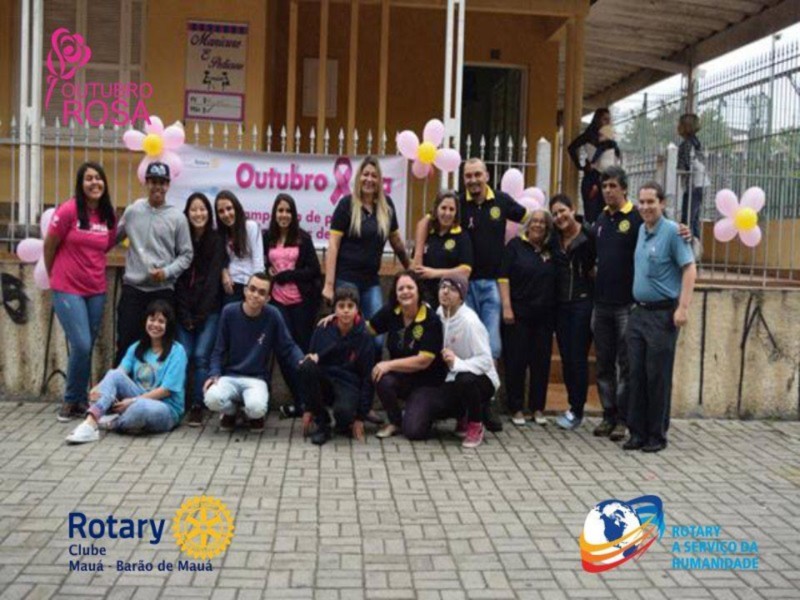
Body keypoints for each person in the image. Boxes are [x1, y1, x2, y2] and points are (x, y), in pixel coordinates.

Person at [44, 162, 117, 422]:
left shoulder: (108, 215)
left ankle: (80, 401)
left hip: (96, 289)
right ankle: (70, 400)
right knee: (82, 343)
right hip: (67, 288)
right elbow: (50, 245)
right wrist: (54, 275)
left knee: (85, 346)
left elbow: (106, 245)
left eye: (99, 178)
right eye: (89, 178)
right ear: (80, 183)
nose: (95, 183)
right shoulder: (69, 210)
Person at [625, 182, 696, 453]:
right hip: (638, 312)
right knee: (636, 374)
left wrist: (683, 308)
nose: (645, 207)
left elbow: (689, 269)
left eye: (651, 202)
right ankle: (637, 433)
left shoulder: (674, 232)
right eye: (641, 202)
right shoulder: (642, 230)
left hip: (662, 314)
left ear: (662, 203)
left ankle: (656, 435)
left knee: (657, 376)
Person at [65, 300, 187, 444]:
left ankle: (112, 423)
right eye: (152, 319)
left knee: (139, 409)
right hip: (139, 397)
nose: (155, 324)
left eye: (161, 321)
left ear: (169, 325)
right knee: (113, 375)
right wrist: (99, 388)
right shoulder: (137, 347)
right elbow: (119, 373)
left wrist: (133, 401)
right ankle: (90, 422)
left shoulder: (177, 351)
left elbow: (166, 391)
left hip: (166, 408)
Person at [323, 156, 410, 352]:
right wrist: (328, 285)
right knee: (347, 334)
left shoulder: (386, 206)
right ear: (358, 177)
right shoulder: (346, 205)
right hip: (346, 280)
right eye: (365, 174)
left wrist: (410, 268)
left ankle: (372, 372)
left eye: (374, 175)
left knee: (377, 339)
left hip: (371, 281)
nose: (369, 179)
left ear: (379, 180)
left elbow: (396, 242)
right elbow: (333, 245)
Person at [203, 272, 303, 433]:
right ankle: (230, 412)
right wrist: (214, 374)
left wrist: (302, 360)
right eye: (252, 289)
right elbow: (218, 350)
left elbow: (288, 346)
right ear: (245, 290)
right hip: (230, 376)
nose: (255, 295)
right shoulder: (229, 312)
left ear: (268, 298)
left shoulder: (273, 315)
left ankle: (251, 414)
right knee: (211, 398)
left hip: (256, 378)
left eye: (262, 293)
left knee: (256, 408)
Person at [115, 162, 193, 365]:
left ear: (168, 185)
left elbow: (186, 254)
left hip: (162, 291)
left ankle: (157, 384)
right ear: (146, 183)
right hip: (133, 290)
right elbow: (112, 238)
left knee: (160, 346)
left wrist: (166, 272)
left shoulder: (178, 218)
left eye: (162, 182)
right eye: (153, 182)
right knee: (126, 343)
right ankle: (120, 382)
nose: (158, 187)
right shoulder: (132, 212)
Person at [590, 166, 643, 442]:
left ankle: (624, 419)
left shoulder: (637, 218)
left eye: (613, 186)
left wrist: (684, 231)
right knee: (603, 364)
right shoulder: (600, 219)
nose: (608, 191)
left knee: (626, 365)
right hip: (601, 305)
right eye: (605, 186)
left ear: (624, 188)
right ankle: (608, 415)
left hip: (626, 305)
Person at [369, 271, 447, 440]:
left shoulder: (431, 319)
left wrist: (388, 364)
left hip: (427, 383)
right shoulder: (391, 311)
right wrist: (340, 319)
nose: (405, 292)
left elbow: (423, 361)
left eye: (410, 287)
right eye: (401, 288)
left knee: (414, 432)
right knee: (381, 377)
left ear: (418, 290)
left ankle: (428, 411)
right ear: (395, 293)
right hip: (403, 379)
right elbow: (367, 329)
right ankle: (395, 422)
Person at [263, 193, 322, 419]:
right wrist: (269, 271)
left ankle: (310, 402)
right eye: (280, 210)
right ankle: (300, 401)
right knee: (284, 352)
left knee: (303, 350)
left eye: (288, 211)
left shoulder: (303, 238)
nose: (284, 215)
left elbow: (313, 270)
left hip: (301, 302)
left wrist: (289, 274)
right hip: (277, 302)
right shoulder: (267, 237)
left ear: (294, 214)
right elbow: (262, 264)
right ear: (274, 213)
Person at [498, 210, 557, 427]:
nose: (538, 225)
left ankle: (537, 408)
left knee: (541, 363)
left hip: (544, 316)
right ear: (528, 224)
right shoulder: (514, 246)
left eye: (543, 222)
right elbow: (503, 277)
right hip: (518, 314)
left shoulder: (551, 249)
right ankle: (516, 408)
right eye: (535, 221)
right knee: (516, 362)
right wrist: (506, 306)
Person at [175, 192, 227, 426]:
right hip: (183, 311)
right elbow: (179, 280)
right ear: (187, 213)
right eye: (193, 209)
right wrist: (185, 315)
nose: (198, 214)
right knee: (183, 354)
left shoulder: (216, 240)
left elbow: (213, 280)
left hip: (209, 311)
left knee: (200, 356)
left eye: (203, 209)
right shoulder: (181, 239)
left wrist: (200, 315)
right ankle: (178, 403)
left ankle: (198, 404)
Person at [298, 286, 374, 445]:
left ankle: (345, 421)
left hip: (348, 384)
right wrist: (308, 408)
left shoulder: (364, 336)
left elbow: (368, 377)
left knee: (343, 414)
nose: (346, 310)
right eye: (341, 306)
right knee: (306, 365)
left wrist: (360, 417)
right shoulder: (323, 328)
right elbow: (311, 359)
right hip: (326, 379)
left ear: (357, 310)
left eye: (350, 306)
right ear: (334, 309)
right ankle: (322, 423)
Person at [437, 273, 500, 449]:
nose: (445, 292)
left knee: (465, 379)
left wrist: (457, 362)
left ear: (462, 296)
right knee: (439, 397)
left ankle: (475, 424)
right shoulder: (440, 313)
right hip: (453, 374)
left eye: (452, 289)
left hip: (483, 378)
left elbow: (485, 361)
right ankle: (462, 415)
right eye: (443, 287)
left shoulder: (470, 321)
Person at [549, 195, 596, 431]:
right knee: (567, 357)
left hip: (583, 303)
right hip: (560, 305)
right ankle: (572, 407)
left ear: (573, 209)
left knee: (578, 357)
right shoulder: (553, 238)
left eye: (562, 211)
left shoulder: (590, 235)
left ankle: (577, 408)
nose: (559, 217)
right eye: (555, 214)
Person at [412, 190, 473, 310]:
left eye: (452, 209)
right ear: (436, 209)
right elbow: (415, 263)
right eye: (443, 208)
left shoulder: (462, 236)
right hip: (425, 297)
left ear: (456, 212)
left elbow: (465, 271)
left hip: (450, 298)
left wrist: (433, 273)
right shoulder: (426, 234)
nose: (447, 213)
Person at [216, 190, 265, 304]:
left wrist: (254, 289)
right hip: (231, 286)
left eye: (229, 208)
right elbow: (221, 260)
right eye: (221, 211)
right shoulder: (221, 233)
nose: (226, 214)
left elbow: (258, 261)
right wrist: (224, 272)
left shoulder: (251, 227)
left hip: (250, 285)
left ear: (236, 207)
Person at [568, 108, 613, 224]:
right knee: (591, 216)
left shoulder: (608, 137)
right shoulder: (589, 135)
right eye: (605, 119)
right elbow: (571, 148)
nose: (608, 122)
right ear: (597, 120)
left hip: (604, 180)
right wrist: (580, 166)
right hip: (592, 179)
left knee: (605, 215)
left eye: (609, 119)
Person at [677, 113, 709, 240]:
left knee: (687, 219)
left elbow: (684, 166)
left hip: (693, 184)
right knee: (694, 219)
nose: (677, 127)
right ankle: (696, 246)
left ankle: (689, 247)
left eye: (680, 124)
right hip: (701, 183)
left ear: (686, 126)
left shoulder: (686, 145)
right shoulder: (696, 142)